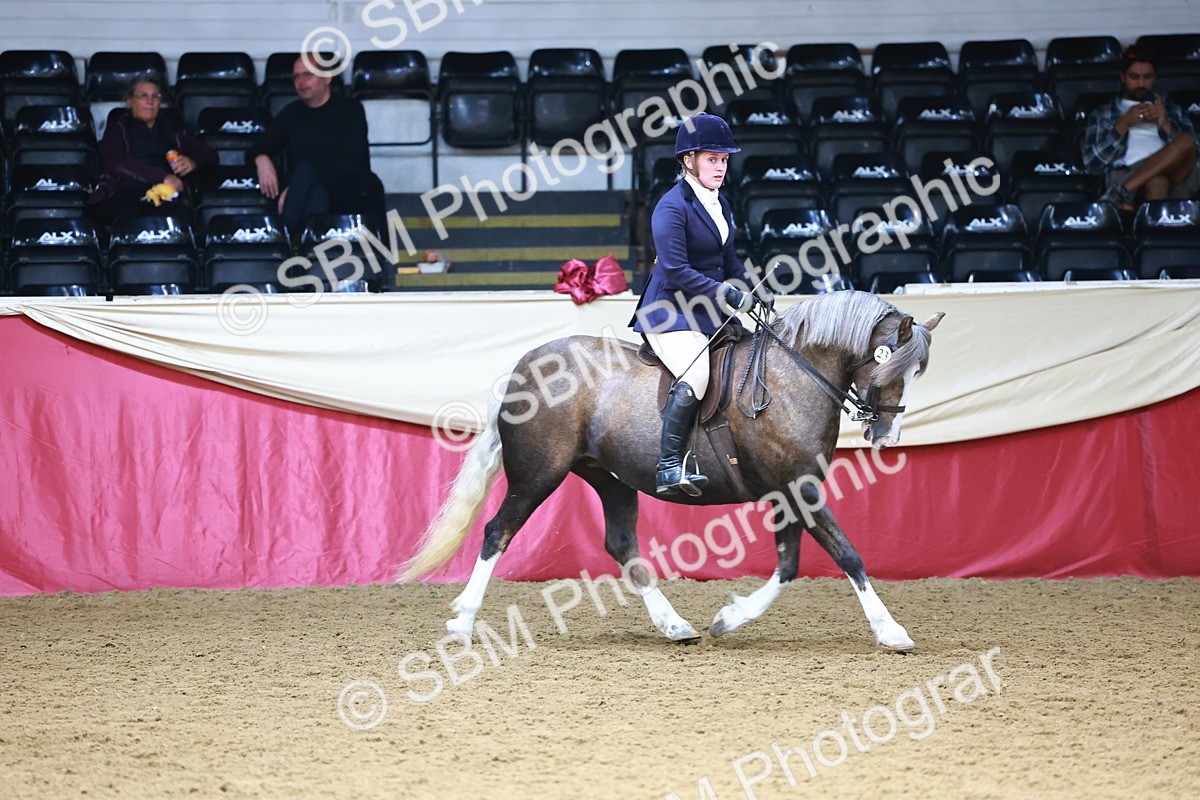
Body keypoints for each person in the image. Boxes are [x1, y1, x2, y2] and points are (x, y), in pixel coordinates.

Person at [631, 113, 769, 498]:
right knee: (696, 376)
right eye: (712, 159)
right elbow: (675, 270)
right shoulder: (671, 207)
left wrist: (750, 290)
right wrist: (728, 296)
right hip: (669, 311)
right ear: (688, 160)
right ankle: (669, 466)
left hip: (707, 311)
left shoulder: (719, 203)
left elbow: (729, 261)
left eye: (724, 160)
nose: (721, 167)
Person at [246, 55, 385, 235]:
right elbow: (254, 149)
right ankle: (308, 249)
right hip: (311, 192)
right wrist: (261, 158)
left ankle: (282, 238)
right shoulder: (291, 114)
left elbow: (352, 162)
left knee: (307, 170)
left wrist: (298, 185)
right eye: (296, 77)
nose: (301, 82)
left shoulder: (350, 109)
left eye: (307, 75)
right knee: (316, 192)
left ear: (326, 78)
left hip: (350, 188)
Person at [86, 74, 217, 227]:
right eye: (143, 96)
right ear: (130, 100)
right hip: (125, 191)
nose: (150, 102)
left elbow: (210, 154)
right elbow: (115, 161)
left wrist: (192, 162)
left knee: (184, 219)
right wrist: (163, 177)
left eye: (156, 96)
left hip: (165, 195)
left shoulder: (171, 131)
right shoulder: (118, 128)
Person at [1083, 47, 1200, 210]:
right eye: (1134, 77)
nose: (1141, 84)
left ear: (1155, 78)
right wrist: (1124, 123)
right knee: (1156, 181)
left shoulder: (1172, 110)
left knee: (1187, 139)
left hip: (1176, 175)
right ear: (1122, 77)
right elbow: (1091, 164)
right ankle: (1155, 232)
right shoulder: (1103, 113)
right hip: (1127, 172)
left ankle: (1121, 193)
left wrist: (1165, 123)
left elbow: (1194, 152)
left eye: (1147, 77)